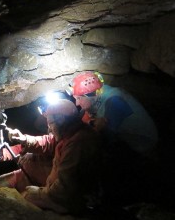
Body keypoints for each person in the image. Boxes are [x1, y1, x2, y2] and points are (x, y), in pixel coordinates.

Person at [0, 99, 102, 215]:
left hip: (68, 200)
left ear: (61, 120)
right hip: (56, 186)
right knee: (26, 165)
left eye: (51, 123)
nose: (49, 128)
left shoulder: (78, 144)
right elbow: (48, 141)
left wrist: (39, 193)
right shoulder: (69, 133)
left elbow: (64, 187)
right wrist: (23, 139)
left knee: (24, 198)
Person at [67, 71, 159, 205]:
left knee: (100, 155)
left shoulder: (114, 101)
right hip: (124, 137)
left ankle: (109, 198)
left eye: (79, 98)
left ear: (91, 95)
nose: (76, 103)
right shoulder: (96, 95)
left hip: (142, 144)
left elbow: (106, 138)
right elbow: (86, 119)